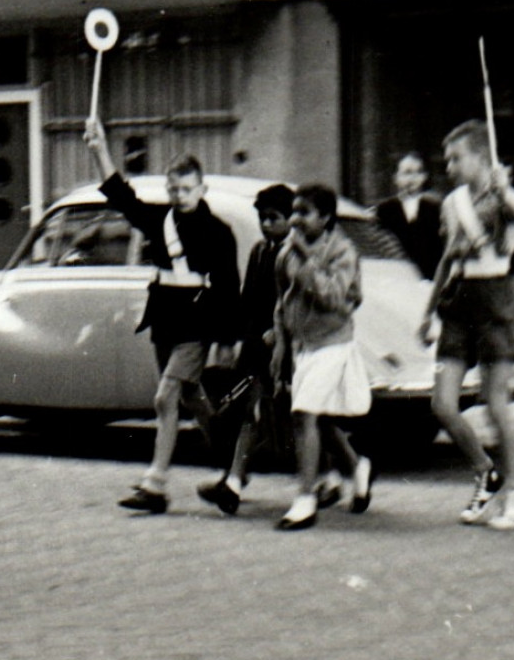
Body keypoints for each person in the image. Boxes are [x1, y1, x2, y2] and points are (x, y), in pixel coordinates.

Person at [85, 115, 241, 513]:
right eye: (173, 188)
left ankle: (155, 484)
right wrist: (100, 149)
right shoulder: (159, 219)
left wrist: (227, 340)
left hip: (197, 322)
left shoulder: (218, 232)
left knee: (164, 397)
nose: (179, 195)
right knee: (190, 396)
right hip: (165, 321)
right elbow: (121, 197)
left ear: (202, 188)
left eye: (186, 188)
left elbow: (227, 289)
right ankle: (235, 465)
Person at [418, 121, 514, 529]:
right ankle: (486, 471)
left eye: (457, 158)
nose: (449, 166)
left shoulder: (503, 195)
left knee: (495, 401)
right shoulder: (452, 203)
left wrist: (502, 188)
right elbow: (447, 260)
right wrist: (427, 311)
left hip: (496, 301)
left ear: (481, 158)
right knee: (442, 405)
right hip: (458, 302)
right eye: (447, 158)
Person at [272, 184, 374, 531]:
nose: (295, 219)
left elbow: (332, 296)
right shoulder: (287, 252)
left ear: (326, 217)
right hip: (304, 346)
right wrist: (281, 344)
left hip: (333, 344)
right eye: (294, 211)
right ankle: (356, 465)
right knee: (321, 418)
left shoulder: (342, 251)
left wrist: (304, 257)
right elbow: (282, 299)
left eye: (305, 212)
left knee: (304, 414)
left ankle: (305, 499)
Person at [196, 183, 295, 515]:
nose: (267, 225)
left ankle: (343, 471)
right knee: (250, 411)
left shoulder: (293, 254)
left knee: (294, 414)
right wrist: (239, 337)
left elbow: (291, 301)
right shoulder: (258, 252)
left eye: (275, 218)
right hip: (256, 344)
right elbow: (248, 298)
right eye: (262, 218)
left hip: (283, 345)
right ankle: (235, 479)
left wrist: (278, 331)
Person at [374, 152, 443, 280]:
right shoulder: (385, 209)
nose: (412, 179)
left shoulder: (435, 208)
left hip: (428, 277)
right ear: (396, 177)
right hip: (396, 277)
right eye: (407, 173)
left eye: (418, 173)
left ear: (424, 177)